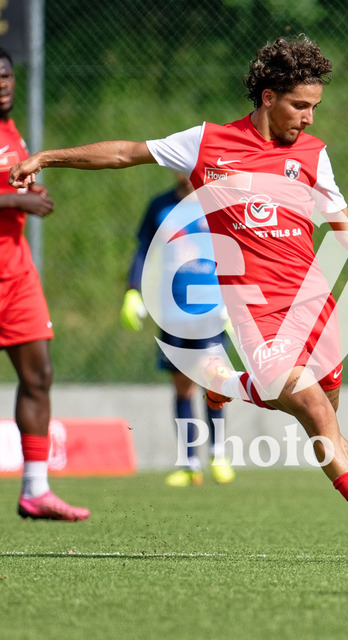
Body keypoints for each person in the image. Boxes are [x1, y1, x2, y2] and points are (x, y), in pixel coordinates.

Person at [9, 35, 348, 561]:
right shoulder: (206, 143)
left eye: (315, 107)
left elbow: (347, 231)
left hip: (315, 312)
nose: (309, 118)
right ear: (268, 97)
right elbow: (125, 153)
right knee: (316, 412)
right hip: (258, 317)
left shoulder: (312, 156)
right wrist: (47, 157)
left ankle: (229, 383)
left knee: (323, 421)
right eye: (300, 105)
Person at [0, 48, 90, 521]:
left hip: (16, 275)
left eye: (6, 75)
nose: (2, 84)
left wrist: (27, 193)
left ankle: (35, 490)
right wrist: (16, 202)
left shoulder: (11, 130)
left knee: (39, 376)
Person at [120, 172, 235, 487]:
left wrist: (236, 295)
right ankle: (189, 464)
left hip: (211, 310)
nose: (183, 171)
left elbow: (239, 249)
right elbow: (143, 250)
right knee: (183, 387)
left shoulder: (218, 204)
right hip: (172, 312)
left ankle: (218, 454)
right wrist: (133, 290)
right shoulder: (160, 206)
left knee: (214, 380)